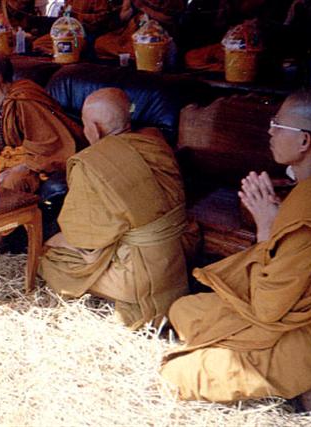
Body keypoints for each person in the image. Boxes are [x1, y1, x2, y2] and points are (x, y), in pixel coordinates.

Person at [160, 89, 311, 413]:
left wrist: (266, 228)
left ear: (304, 141)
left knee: (177, 375)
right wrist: (277, 223)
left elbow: (268, 308)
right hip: (293, 315)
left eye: (278, 124)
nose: (270, 131)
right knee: (183, 309)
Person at [39, 88, 195, 329]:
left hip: (140, 272)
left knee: (51, 256)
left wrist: (58, 243)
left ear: (95, 129)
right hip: (180, 251)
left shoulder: (91, 163)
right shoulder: (156, 143)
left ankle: (118, 299)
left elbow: (84, 237)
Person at [0, 51, 86, 195]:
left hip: (32, 163)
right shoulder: (9, 100)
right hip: (14, 156)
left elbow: (51, 145)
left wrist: (19, 166)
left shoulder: (24, 99)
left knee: (12, 181)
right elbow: (8, 136)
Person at [93, 0, 183, 59]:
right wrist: (127, 8)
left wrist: (143, 7)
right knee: (100, 43)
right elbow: (123, 17)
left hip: (158, 33)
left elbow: (170, 19)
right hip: (133, 31)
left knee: (150, 51)